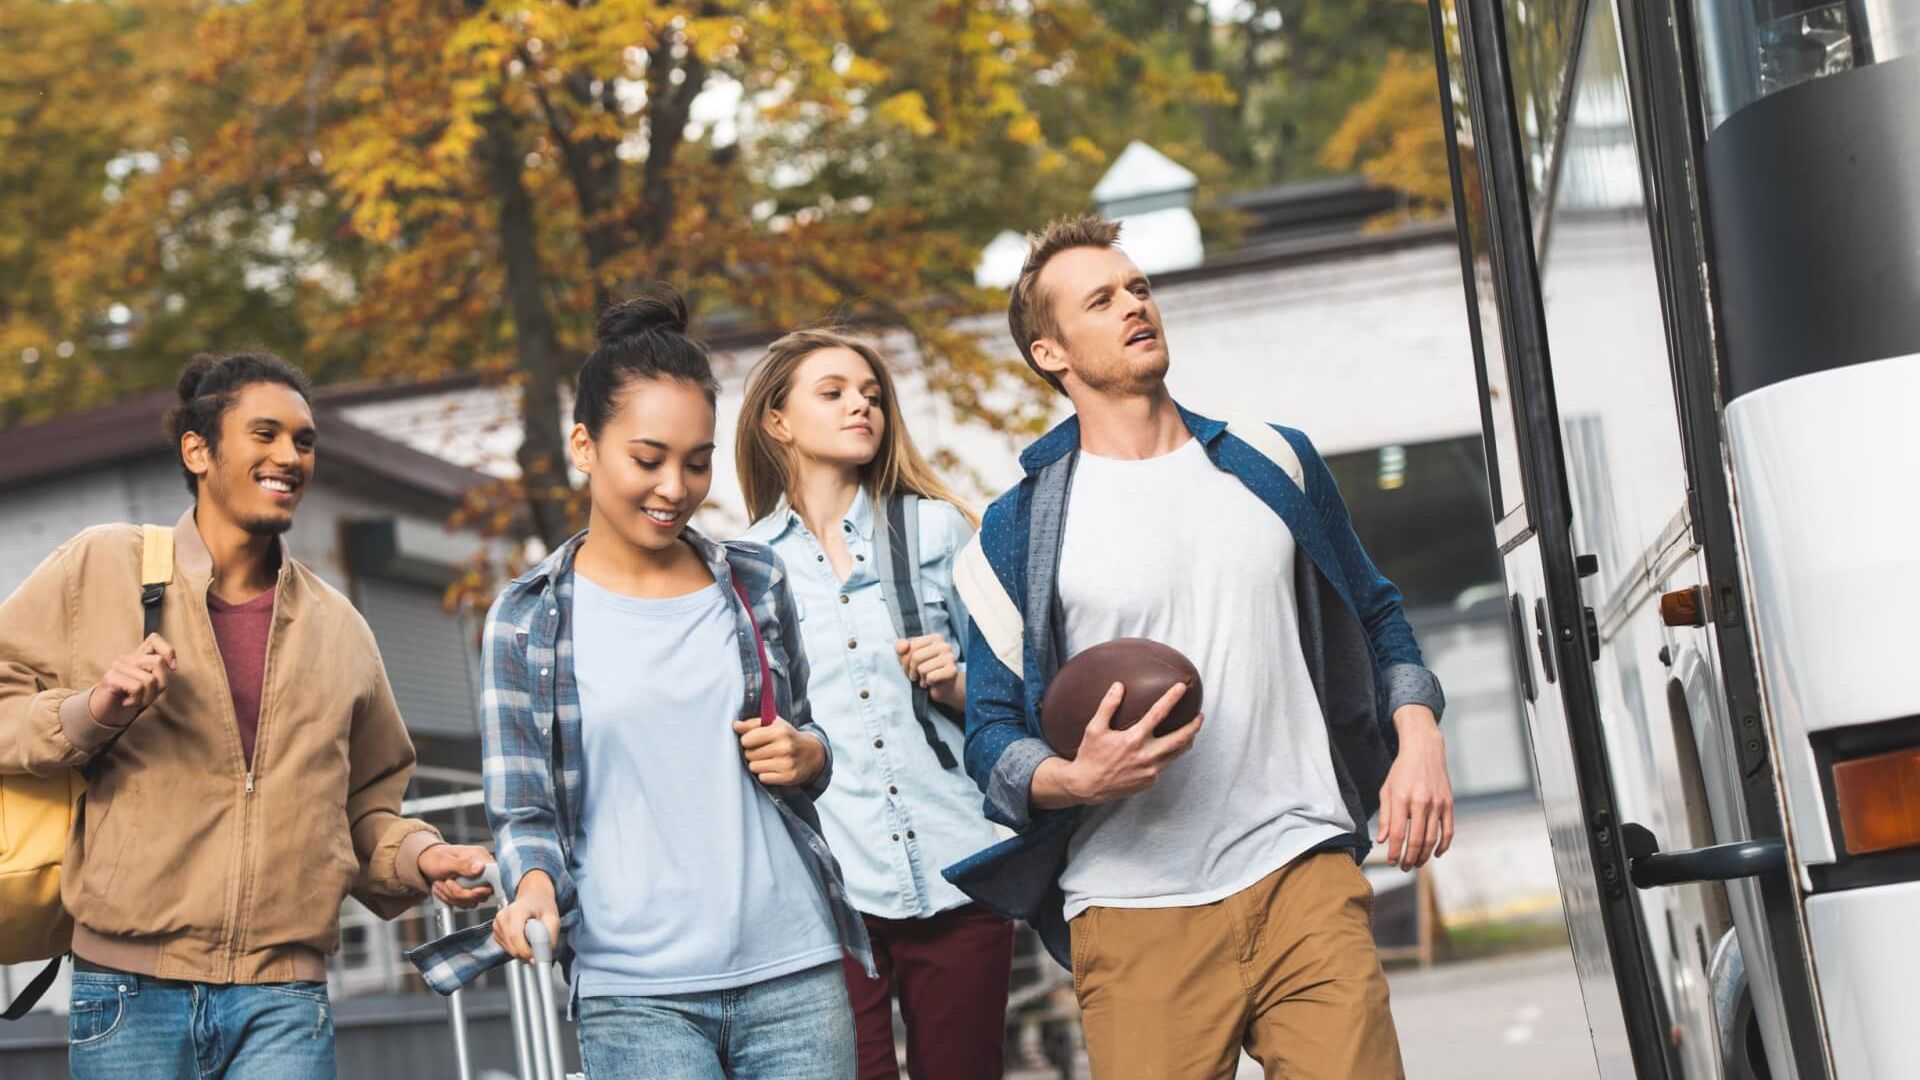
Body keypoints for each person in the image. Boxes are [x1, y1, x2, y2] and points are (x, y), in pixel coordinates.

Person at [943, 216, 1456, 1080]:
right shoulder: (1017, 530)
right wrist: (1072, 777)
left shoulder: (1271, 461)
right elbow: (990, 730)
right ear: (1050, 353)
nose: (1134, 307)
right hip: (1133, 906)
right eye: (1100, 301)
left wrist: (1420, 736)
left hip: (1301, 870)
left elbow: (1376, 615)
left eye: (1138, 288)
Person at [408, 287, 873, 1080]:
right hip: (634, 994)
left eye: (697, 463)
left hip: (794, 968)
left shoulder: (756, 582)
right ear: (585, 446)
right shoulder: (525, 619)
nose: (674, 487)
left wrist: (808, 754)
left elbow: (807, 744)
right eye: (648, 459)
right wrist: (531, 888)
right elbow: (524, 807)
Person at [0, 351, 493, 1079]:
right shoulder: (102, 566)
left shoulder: (340, 628)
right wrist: (89, 712)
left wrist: (422, 855)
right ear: (197, 450)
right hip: (129, 991)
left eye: (303, 440)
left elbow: (364, 808)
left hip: (284, 998)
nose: (289, 456)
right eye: (265, 434)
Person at [736, 329, 1015, 1079]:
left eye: (870, 395)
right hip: (829, 895)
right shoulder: (746, 569)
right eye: (833, 393)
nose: (861, 404)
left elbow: (1011, 698)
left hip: (960, 868)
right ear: (777, 420)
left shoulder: (935, 527)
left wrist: (957, 681)